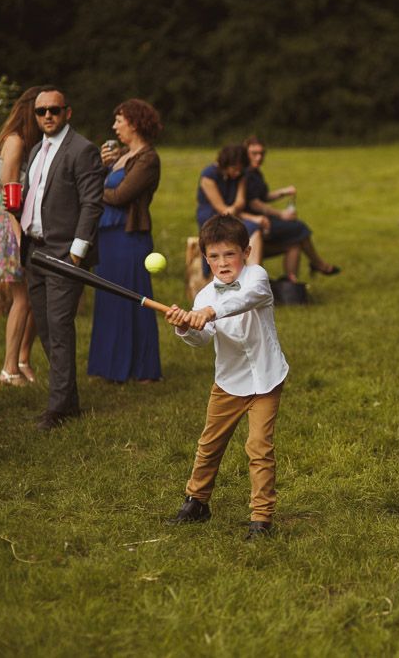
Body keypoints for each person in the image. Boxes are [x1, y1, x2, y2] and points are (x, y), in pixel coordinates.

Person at [164, 215, 288, 541]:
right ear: (205, 258)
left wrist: (211, 313)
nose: (222, 263)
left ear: (245, 251)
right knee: (209, 445)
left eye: (229, 254)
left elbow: (244, 300)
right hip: (229, 382)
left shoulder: (257, 277)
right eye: (214, 256)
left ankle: (261, 519)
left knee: (259, 447)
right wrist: (185, 325)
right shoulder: (204, 296)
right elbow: (202, 339)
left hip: (266, 378)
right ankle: (197, 502)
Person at [20, 86, 104, 431]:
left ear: (67, 112)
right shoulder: (37, 148)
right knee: (45, 326)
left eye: (54, 110)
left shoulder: (82, 150)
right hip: (35, 250)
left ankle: (57, 410)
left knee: (58, 328)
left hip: (64, 253)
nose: (48, 116)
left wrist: (76, 252)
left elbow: (92, 203)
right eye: (41, 112)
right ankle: (67, 400)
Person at [87, 99, 163, 383]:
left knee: (134, 301)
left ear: (134, 122)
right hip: (107, 236)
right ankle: (109, 366)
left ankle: (142, 369)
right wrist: (103, 168)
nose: (114, 126)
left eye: (119, 120)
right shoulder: (120, 157)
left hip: (129, 237)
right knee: (109, 302)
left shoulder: (148, 159)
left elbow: (121, 196)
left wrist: (95, 186)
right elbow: (109, 189)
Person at [0, 86, 43, 386]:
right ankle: (9, 368)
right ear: (31, 110)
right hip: (10, 224)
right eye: (41, 110)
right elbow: (9, 193)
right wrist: (19, 237)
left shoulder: (31, 141)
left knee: (30, 296)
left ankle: (21, 360)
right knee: (22, 297)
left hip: (22, 222)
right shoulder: (15, 141)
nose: (47, 116)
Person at [244, 136, 340, 282]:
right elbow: (254, 203)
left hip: (262, 219)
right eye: (254, 153)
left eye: (262, 153)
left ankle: (291, 283)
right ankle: (318, 264)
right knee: (299, 228)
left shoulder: (256, 173)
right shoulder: (245, 174)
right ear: (245, 153)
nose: (259, 157)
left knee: (295, 243)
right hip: (253, 222)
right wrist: (281, 214)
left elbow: (262, 196)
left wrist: (283, 192)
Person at [196, 145, 263, 274]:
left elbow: (240, 201)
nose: (237, 173)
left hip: (235, 215)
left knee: (254, 229)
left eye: (240, 170)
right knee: (243, 230)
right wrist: (239, 212)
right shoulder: (208, 176)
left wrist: (234, 209)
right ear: (224, 164)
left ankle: (254, 276)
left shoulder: (241, 175)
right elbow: (222, 209)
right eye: (234, 169)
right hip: (213, 217)